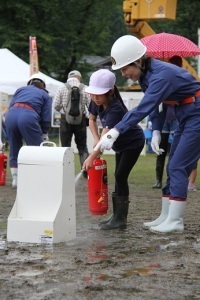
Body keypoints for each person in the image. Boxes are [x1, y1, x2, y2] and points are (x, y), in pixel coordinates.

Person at [94, 35, 200, 233]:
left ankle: (175, 221)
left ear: (139, 61)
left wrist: (116, 130)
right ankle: (166, 216)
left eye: (125, 68)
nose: (124, 74)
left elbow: (143, 107)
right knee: (172, 165)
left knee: (178, 165)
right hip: (185, 114)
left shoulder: (161, 75)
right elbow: (155, 107)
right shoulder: (146, 76)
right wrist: (157, 129)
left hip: (196, 114)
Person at [83, 69, 145, 230]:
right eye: (92, 94)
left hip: (133, 143)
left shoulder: (115, 108)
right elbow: (91, 120)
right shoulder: (96, 101)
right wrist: (96, 138)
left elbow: (106, 136)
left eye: (99, 94)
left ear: (110, 92)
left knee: (120, 175)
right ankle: (116, 216)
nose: (95, 98)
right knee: (118, 176)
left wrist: (91, 157)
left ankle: (120, 219)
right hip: (119, 145)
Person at [5, 73, 52, 188]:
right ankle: (35, 178)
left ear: (29, 82)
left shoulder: (20, 89)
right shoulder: (44, 94)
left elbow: (11, 105)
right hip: (28, 115)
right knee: (35, 149)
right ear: (43, 84)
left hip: (11, 115)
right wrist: (44, 132)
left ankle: (15, 180)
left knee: (14, 147)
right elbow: (46, 117)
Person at [53, 70, 91, 178]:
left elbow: (55, 105)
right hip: (81, 120)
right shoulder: (85, 88)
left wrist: (65, 110)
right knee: (82, 146)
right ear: (79, 77)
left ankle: (65, 172)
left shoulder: (61, 87)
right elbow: (91, 105)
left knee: (65, 147)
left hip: (65, 120)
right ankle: (85, 171)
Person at [152, 105, 177, 189]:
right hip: (163, 120)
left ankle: (171, 180)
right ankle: (158, 180)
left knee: (175, 152)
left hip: (176, 119)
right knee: (160, 152)